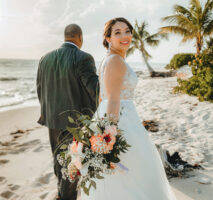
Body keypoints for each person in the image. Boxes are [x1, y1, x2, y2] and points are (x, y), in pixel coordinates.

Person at [81, 17, 177, 200]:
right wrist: (110, 135)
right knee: (135, 171)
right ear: (108, 38)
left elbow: (102, 97)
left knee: (124, 174)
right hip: (119, 119)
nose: (125, 36)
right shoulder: (116, 61)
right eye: (117, 33)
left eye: (127, 31)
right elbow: (113, 100)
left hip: (114, 115)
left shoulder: (108, 60)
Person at [36, 24, 99, 200]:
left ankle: (61, 191)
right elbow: (94, 91)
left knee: (58, 159)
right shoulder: (84, 58)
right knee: (72, 164)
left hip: (51, 119)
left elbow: (40, 89)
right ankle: (66, 196)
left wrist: (46, 112)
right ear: (80, 37)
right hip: (75, 123)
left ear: (65, 37)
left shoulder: (44, 58)